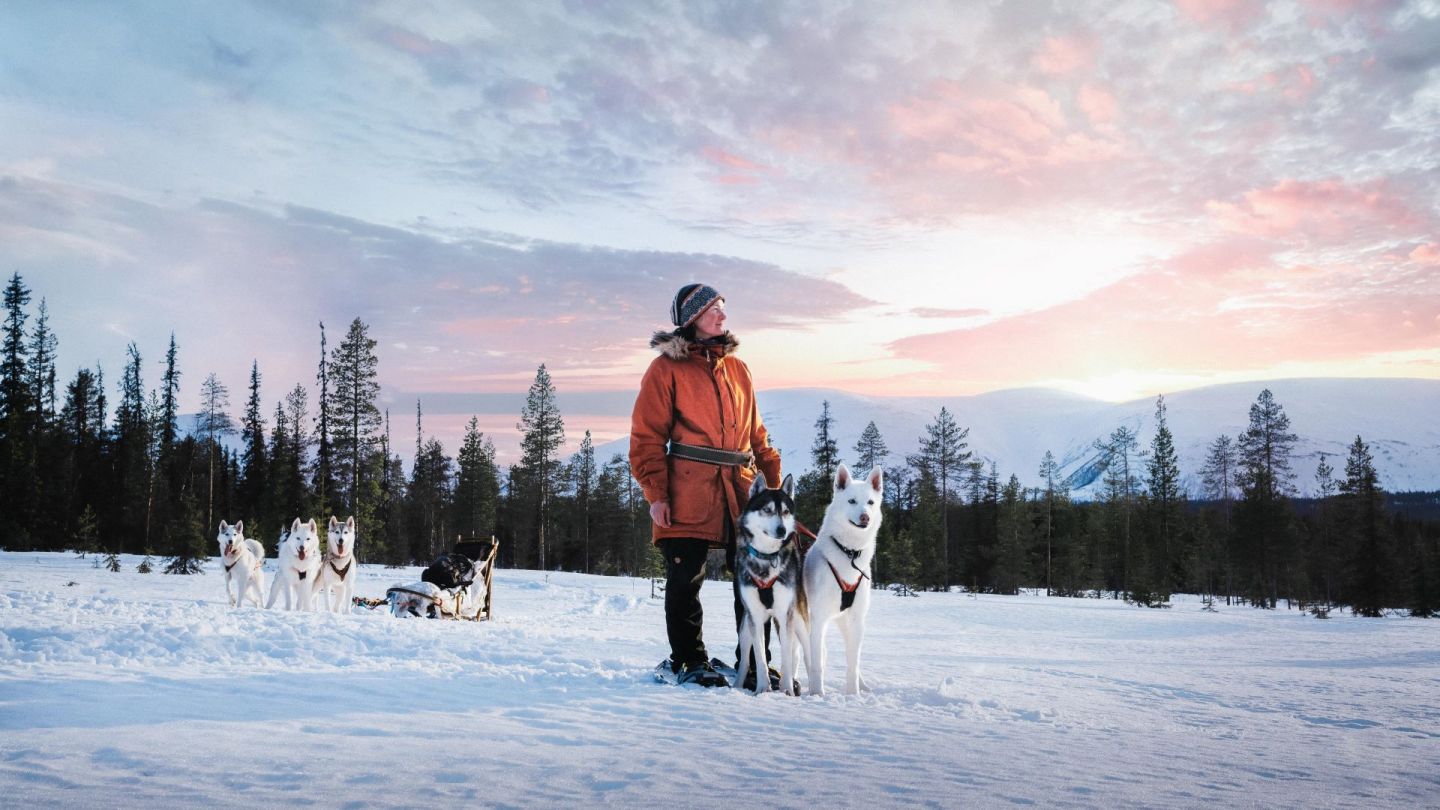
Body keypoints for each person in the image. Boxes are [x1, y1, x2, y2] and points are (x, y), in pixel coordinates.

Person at [630, 283, 783, 688]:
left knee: (753, 578)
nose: (723, 315)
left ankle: (754, 664)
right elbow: (646, 439)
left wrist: (774, 490)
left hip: (741, 488)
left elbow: (758, 435)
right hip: (687, 487)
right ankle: (688, 660)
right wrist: (656, 495)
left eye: (723, 307)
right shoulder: (665, 370)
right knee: (686, 576)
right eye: (715, 308)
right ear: (693, 317)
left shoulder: (738, 369)